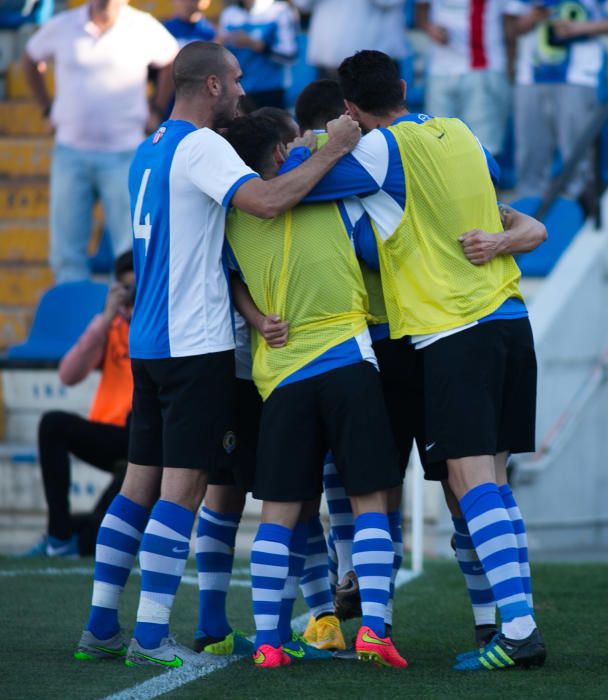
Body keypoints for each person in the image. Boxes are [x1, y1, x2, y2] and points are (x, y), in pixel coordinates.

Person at [72, 40, 361, 669]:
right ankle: (149, 635)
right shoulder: (200, 145)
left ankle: (101, 625)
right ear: (208, 86)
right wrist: (335, 149)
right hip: (194, 342)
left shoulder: (148, 149)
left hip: (149, 345)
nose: (241, 91)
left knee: (136, 487)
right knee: (185, 491)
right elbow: (267, 201)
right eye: (233, 81)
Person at [284, 50, 548, 670]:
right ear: (405, 86)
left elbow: (298, 182)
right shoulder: (459, 130)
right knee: (493, 487)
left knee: (468, 481)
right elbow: (489, 185)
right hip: (509, 317)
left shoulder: (377, 151)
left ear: (351, 109)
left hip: (452, 329)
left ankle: (518, 631)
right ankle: (508, 624)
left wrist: (325, 141)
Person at [223, 112, 407, 669]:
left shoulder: (236, 209)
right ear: (282, 150)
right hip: (347, 356)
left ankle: (269, 644)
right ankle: (373, 629)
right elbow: (375, 237)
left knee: (279, 513)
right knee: (371, 501)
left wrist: (256, 317)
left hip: (280, 377)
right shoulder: (323, 179)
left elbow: (231, 276)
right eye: (296, 137)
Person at [21, 0, 180, 283]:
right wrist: (46, 108)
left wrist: (156, 108)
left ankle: (122, 321)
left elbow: (171, 60)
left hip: (125, 153)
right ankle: (76, 320)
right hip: (71, 152)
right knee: (66, 253)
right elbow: (31, 58)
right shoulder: (64, 24)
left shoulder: (142, 26)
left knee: (129, 251)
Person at [23, 252, 135, 559]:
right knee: (53, 423)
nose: (132, 297)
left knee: (96, 543)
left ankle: (74, 537)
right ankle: (59, 534)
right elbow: (68, 374)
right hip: (109, 433)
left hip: (143, 437)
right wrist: (105, 318)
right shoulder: (110, 328)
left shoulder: (160, 325)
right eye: (127, 289)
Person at [505, 0, 608, 202]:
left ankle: (580, 204)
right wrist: (534, 16)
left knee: (576, 148)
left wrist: (578, 28)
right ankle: (530, 208)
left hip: (578, 75)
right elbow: (510, 27)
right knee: (530, 150)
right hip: (530, 75)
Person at [415, 0, 512, 157]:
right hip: (440, 70)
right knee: (437, 144)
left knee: (484, 146)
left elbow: (510, 21)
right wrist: (430, 29)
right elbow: (421, 11)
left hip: (482, 69)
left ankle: (485, 182)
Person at [292, 0, 409, 81]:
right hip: (330, 61)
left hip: (376, 62)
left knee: (381, 112)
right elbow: (302, 3)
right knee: (331, 113)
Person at [218, 0, 298, 109]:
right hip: (238, 91)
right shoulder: (229, 14)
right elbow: (221, 53)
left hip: (270, 90)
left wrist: (255, 45)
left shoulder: (280, 11)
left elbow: (290, 55)